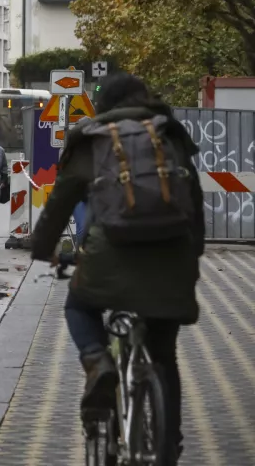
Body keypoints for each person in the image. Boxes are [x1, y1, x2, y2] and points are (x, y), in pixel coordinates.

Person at [31, 74, 203, 465]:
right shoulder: (168, 133)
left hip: (109, 254)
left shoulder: (93, 139)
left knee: (78, 305)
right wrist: (191, 258)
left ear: (103, 105)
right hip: (170, 258)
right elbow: (193, 203)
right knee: (164, 354)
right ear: (145, 98)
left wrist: (43, 250)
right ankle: (168, 445)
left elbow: (60, 203)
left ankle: (98, 362)